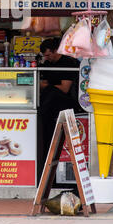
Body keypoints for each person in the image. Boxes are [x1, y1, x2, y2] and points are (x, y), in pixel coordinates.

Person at [38, 37, 82, 165]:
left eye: (48, 55)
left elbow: (64, 88)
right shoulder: (47, 64)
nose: (47, 58)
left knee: (51, 92)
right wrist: (50, 85)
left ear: (56, 50)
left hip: (67, 105)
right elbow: (42, 84)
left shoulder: (69, 63)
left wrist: (49, 85)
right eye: (45, 56)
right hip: (51, 107)